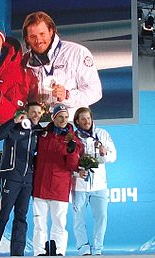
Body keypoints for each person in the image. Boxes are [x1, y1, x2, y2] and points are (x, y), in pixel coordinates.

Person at [0, 102, 44, 256]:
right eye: (33, 112)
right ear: (27, 113)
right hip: (11, 177)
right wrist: (13, 121)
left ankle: (17, 253)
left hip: (28, 180)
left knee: (21, 217)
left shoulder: (38, 132)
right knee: (3, 214)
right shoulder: (15, 128)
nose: (37, 115)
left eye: (39, 112)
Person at [21, 11, 102, 120]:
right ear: (26, 38)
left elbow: (95, 92)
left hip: (71, 123)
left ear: (51, 31)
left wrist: (67, 95)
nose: (38, 40)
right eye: (33, 36)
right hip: (39, 125)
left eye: (42, 34)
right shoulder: (23, 62)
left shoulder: (77, 52)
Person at [32, 104, 83, 256]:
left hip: (59, 187)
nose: (63, 120)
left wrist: (72, 149)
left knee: (59, 224)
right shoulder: (42, 134)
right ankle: (40, 252)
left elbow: (72, 166)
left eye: (66, 117)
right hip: (40, 186)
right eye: (60, 116)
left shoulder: (73, 139)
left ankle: (58, 252)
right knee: (39, 224)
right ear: (53, 117)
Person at [72, 107, 117, 256]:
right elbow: (66, 161)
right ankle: (83, 249)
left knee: (101, 217)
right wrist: (76, 172)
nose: (86, 121)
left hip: (99, 185)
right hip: (79, 184)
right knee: (78, 218)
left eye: (88, 118)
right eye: (83, 119)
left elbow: (113, 156)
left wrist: (104, 153)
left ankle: (97, 249)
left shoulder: (102, 134)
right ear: (77, 121)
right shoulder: (72, 137)